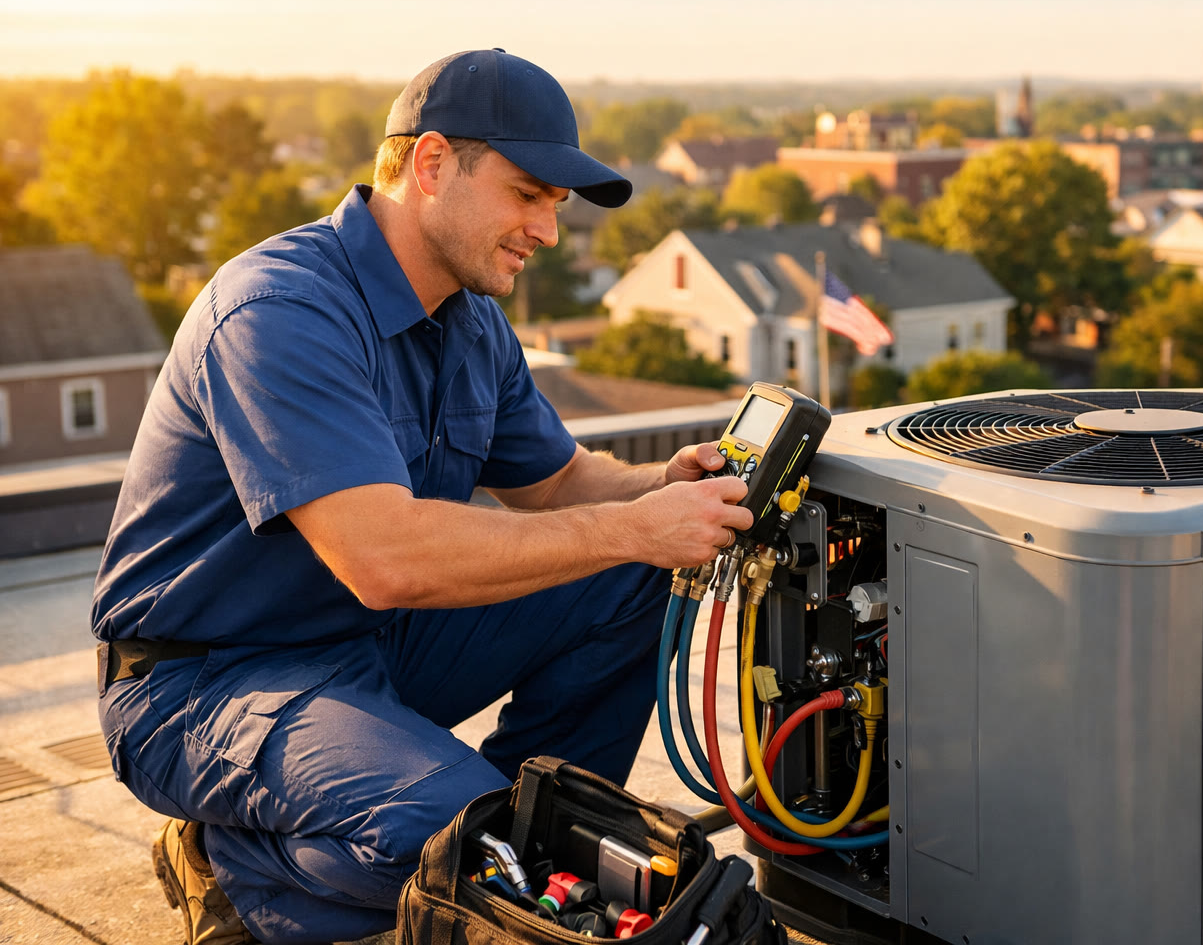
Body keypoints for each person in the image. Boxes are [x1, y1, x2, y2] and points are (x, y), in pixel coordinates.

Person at [91, 49, 753, 945]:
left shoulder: (471, 321)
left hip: (361, 647)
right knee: (449, 840)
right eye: (529, 195)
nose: (549, 232)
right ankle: (230, 861)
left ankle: (531, 844)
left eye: (555, 206)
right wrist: (628, 525)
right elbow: (385, 557)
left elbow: (557, 483)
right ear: (432, 164)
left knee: (630, 577)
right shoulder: (279, 310)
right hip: (202, 681)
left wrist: (664, 490)